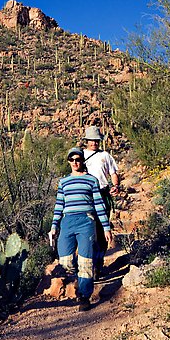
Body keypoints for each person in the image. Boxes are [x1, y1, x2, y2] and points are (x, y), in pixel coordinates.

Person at [49, 147, 113, 311]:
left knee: (85, 261)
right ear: (69, 161)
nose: (75, 162)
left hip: (86, 220)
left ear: (82, 160)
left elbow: (99, 204)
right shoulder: (63, 181)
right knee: (65, 261)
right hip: (67, 221)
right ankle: (82, 277)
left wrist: (106, 227)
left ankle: (84, 296)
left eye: (78, 159)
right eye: (72, 159)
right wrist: (54, 226)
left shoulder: (91, 180)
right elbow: (59, 205)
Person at [82, 126, 120, 280]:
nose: (94, 143)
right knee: (87, 232)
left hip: (103, 193)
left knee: (102, 230)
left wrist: (116, 186)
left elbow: (113, 173)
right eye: (91, 140)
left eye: (96, 140)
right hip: (85, 196)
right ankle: (86, 266)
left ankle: (98, 265)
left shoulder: (106, 156)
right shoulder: (80, 155)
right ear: (87, 141)